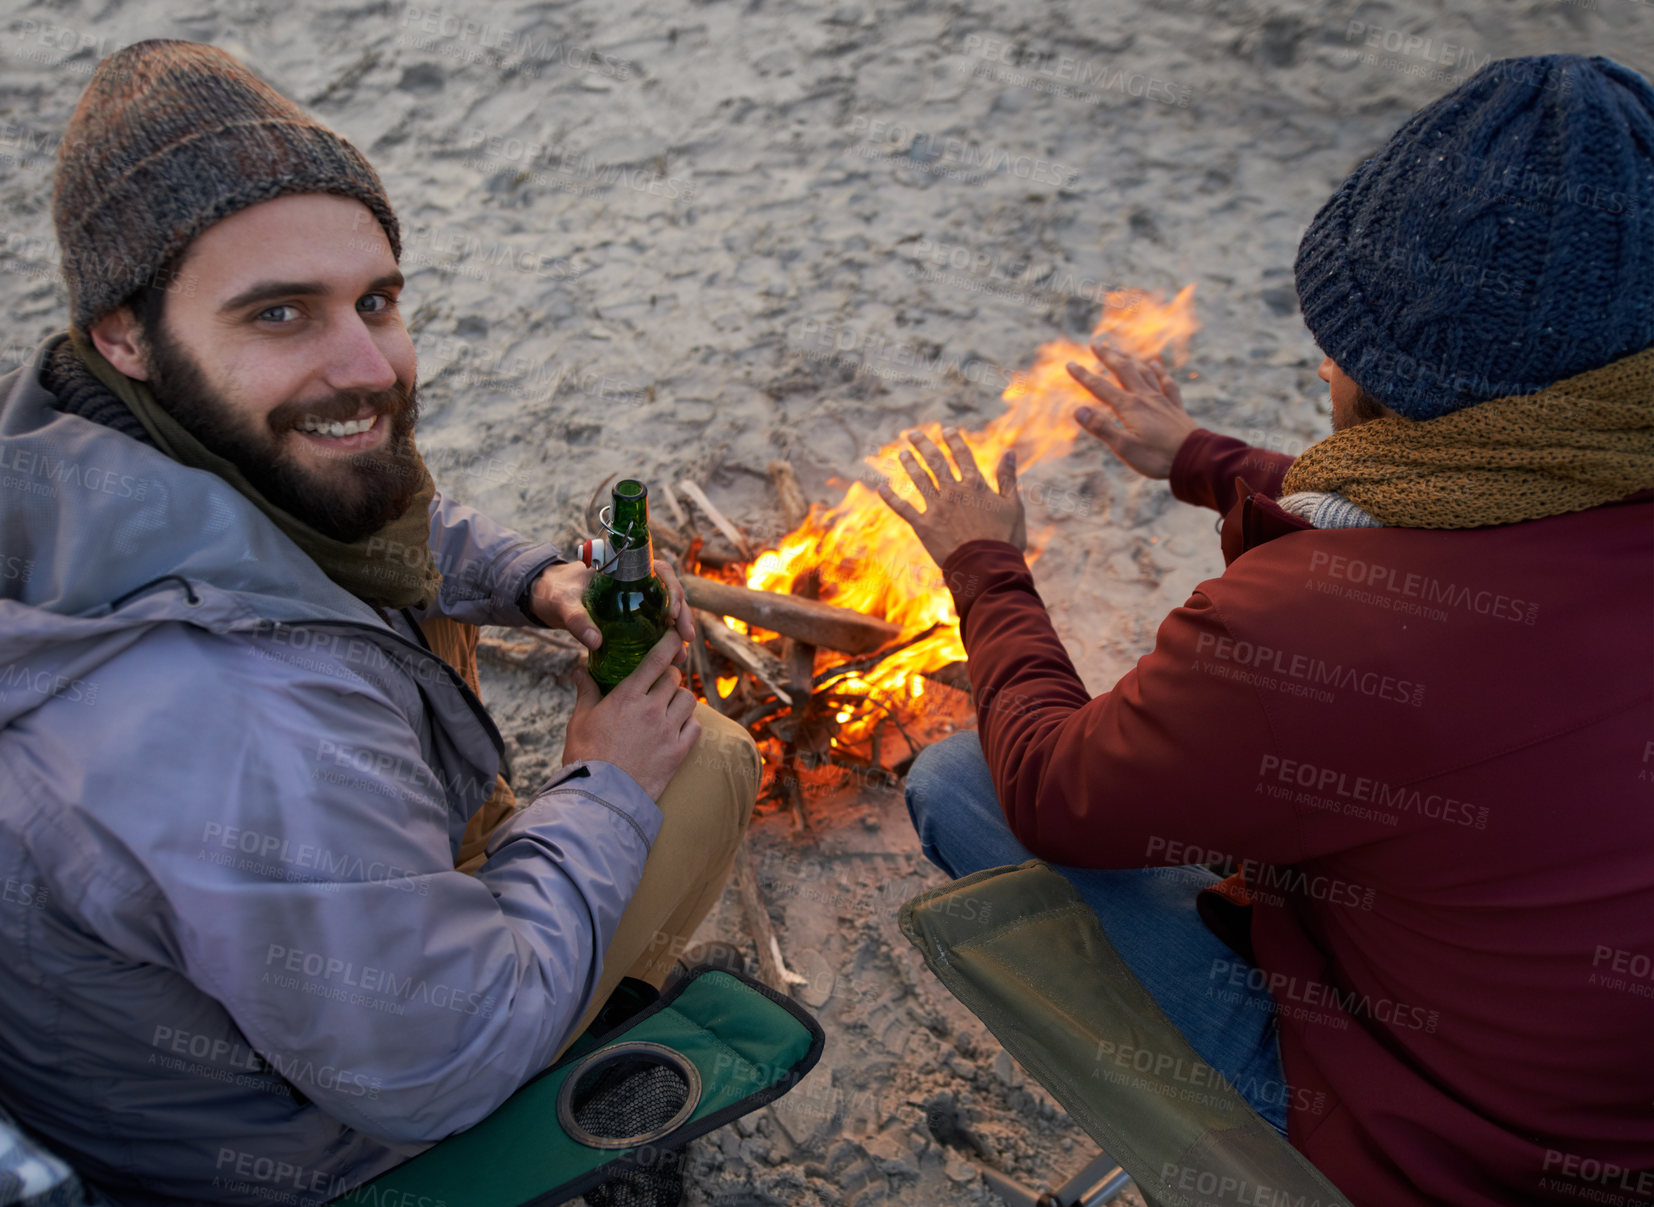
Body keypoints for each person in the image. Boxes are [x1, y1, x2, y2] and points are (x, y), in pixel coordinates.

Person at [0, 38, 758, 1206]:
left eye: (377, 300)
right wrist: (603, 786)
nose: (368, 365)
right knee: (702, 762)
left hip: (278, 987)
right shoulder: (240, 722)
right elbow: (436, 1067)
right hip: (332, 1150)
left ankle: (484, 869)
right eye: (280, 313)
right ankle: (585, 1036)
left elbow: (400, 524)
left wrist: (535, 582)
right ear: (124, 331)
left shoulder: (94, 459)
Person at [889, 53, 1654, 1205]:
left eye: (1346, 335)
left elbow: (1054, 787)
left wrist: (985, 566)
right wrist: (1205, 460)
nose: (1325, 358)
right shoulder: (1586, 468)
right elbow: (1487, 510)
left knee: (964, 781)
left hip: (1430, 1150)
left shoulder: (1322, 627)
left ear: (1384, 376)